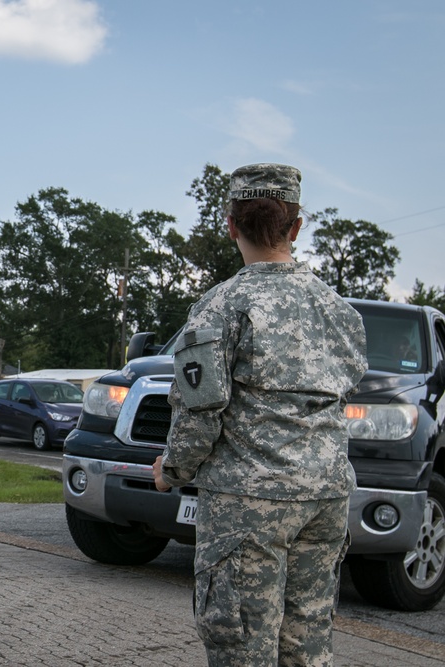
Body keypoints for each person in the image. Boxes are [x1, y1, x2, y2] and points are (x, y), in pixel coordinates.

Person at [152, 163, 368, 666]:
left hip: (249, 504)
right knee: (308, 646)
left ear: (230, 224)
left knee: (242, 648)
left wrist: (173, 471)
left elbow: (199, 412)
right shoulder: (339, 310)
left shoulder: (221, 306)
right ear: (296, 226)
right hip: (326, 498)